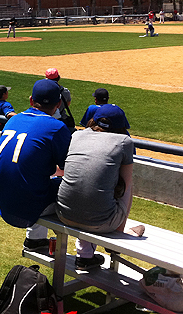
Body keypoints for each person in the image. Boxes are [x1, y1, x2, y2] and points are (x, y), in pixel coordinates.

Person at [56, 104, 144, 270]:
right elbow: (126, 184)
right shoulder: (124, 141)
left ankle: (85, 256)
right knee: (123, 187)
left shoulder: (77, 135)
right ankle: (117, 234)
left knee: (91, 189)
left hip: (63, 214)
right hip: (102, 222)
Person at [0, 79, 71, 252]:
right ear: (58, 104)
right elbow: (71, 170)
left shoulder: (13, 120)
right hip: (25, 205)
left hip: (2, 198)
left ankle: (35, 240)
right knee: (73, 186)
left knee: (37, 178)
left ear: (30, 100)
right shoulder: (56, 127)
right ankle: (85, 253)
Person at [45, 68, 75, 133]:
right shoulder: (65, 91)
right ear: (58, 78)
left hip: (44, 119)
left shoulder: (42, 91)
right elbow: (67, 104)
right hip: (61, 119)